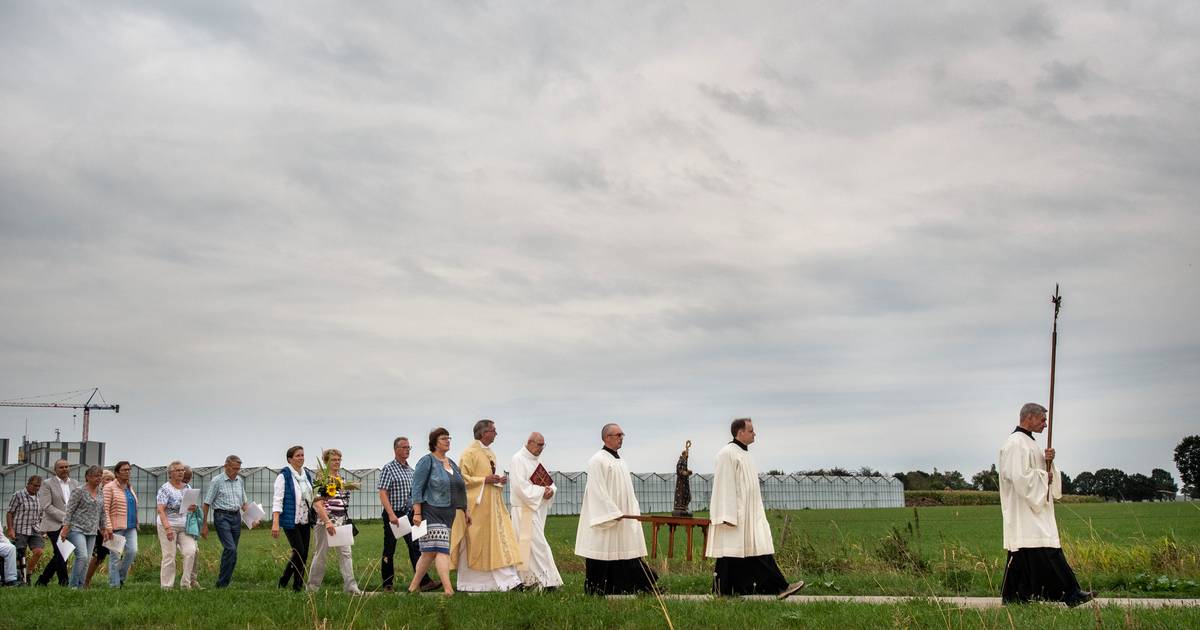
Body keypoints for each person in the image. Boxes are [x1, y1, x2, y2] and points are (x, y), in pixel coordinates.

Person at [999, 403, 1095, 607]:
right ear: (1029, 417)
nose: (1045, 424)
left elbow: (1039, 472)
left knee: (1023, 554)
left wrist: (1047, 460)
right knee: (1046, 551)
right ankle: (1071, 593)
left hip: (1034, 507)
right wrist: (1044, 476)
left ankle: (1014, 597)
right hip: (1024, 508)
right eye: (1042, 419)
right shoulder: (1016, 443)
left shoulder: (1029, 443)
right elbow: (1018, 477)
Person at [706, 418, 806, 598]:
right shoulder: (727, 454)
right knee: (744, 553)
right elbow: (724, 485)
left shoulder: (745, 455)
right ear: (740, 432)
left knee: (744, 553)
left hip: (750, 515)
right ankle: (780, 587)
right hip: (736, 516)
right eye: (751, 431)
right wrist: (727, 515)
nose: (755, 434)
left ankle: (725, 592)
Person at [575, 423, 658, 595]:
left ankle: (627, 587)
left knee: (623, 552)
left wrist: (632, 509)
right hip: (606, 517)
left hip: (622, 517)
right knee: (603, 552)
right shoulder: (598, 460)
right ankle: (597, 589)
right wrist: (612, 512)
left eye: (622, 435)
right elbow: (597, 490)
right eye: (618, 435)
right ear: (607, 437)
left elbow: (627, 491)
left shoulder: (620, 461)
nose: (621, 438)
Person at [451, 419, 522, 592]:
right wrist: (485, 480)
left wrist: (497, 481)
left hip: (492, 506)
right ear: (484, 433)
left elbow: (489, 477)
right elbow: (462, 479)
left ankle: (502, 581)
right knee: (475, 542)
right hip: (477, 508)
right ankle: (470, 583)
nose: (496, 433)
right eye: (493, 430)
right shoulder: (469, 453)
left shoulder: (490, 453)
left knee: (498, 541)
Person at [408, 427, 469, 596]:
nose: (447, 441)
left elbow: (460, 488)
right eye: (443, 438)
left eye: (449, 438)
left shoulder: (452, 463)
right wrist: (417, 512)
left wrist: (465, 509)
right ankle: (448, 590)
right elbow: (416, 488)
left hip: (449, 513)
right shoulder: (426, 461)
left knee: (428, 553)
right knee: (442, 550)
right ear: (434, 443)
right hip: (431, 510)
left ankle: (412, 588)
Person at [378, 436, 437, 592]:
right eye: (404, 447)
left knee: (415, 546)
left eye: (409, 447)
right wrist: (391, 514)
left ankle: (424, 582)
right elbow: (383, 493)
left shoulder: (411, 471)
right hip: (394, 514)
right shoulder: (388, 468)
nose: (407, 450)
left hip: (409, 514)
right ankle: (387, 583)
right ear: (396, 449)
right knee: (389, 549)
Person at [509, 432, 563, 590]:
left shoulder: (536, 461)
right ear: (530, 442)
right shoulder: (518, 459)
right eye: (539, 445)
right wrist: (541, 492)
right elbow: (519, 486)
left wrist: (551, 491)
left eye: (543, 445)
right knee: (537, 545)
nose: (541, 448)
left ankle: (530, 581)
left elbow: (549, 483)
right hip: (523, 509)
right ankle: (548, 582)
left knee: (530, 547)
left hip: (534, 509)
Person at [307, 448, 362, 594]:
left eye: (339, 459)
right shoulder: (321, 480)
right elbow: (317, 504)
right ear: (326, 462)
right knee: (321, 555)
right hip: (325, 523)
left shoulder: (341, 480)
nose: (337, 462)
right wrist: (327, 522)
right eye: (333, 460)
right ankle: (312, 588)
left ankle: (351, 588)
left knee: (346, 554)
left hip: (341, 521)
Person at [202, 455, 250, 588]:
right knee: (230, 548)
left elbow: (244, 503)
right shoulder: (217, 481)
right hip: (222, 517)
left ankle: (224, 583)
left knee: (232, 553)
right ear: (226, 466)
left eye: (238, 469)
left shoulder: (240, 480)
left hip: (236, 517)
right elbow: (206, 503)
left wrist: (252, 519)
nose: (236, 471)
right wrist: (204, 525)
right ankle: (222, 583)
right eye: (234, 468)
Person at [272, 445, 315, 592]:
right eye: (297, 456)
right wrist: (275, 523)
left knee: (303, 553)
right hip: (291, 520)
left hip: (305, 519)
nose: (301, 458)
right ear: (289, 459)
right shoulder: (283, 476)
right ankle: (294, 585)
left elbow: (310, 496)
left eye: (302, 455)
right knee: (299, 552)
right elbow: (277, 500)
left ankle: (289, 582)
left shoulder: (306, 475)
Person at [60, 466, 110, 588]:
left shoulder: (101, 493)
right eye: (96, 476)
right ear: (88, 477)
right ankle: (73, 586)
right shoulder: (79, 491)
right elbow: (69, 510)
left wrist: (104, 528)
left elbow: (102, 512)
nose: (98, 478)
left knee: (87, 559)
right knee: (82, 556)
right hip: (76, 528)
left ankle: (81, 586)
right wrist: (65, 527)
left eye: (100, 476)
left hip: (92, 530)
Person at [155, 461, 198, 589]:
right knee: (169, 556)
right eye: (178, 470)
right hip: (168, 524)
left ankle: (186, 584)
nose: (181, 472)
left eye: (182, 470)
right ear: (170, 473)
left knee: (191, 551)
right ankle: (167, 587)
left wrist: (193, 507)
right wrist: (167, 528)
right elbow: (161, 510)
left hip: (184, 525)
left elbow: (190, 508)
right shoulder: (165, 489)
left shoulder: (187, 488)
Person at [35, 459, 77, 586]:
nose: (64, 469)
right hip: (54, 524)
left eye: (66, 467)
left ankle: (42, 581)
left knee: (61, 553)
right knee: (61, 552)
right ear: (55, 470)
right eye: (61, 467)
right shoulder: (47, 484)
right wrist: (66, 518)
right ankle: (64, 583)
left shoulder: (75, 483)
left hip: (71, 525)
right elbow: (46, 506)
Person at [103, 461, 140, 587]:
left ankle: (120, 577)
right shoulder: (109, 487)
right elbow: (105, 509)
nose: (127, 472)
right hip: (115, 527)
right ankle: (114, 584)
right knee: (115, 557)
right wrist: (108, 526)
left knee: (132, 551)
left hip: (131, 526)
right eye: (124, 470)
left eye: (129, 470)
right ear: (117, 473)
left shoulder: (129, 487)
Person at [6, 475, 44, 584]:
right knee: (20, 555)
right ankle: (20, 578)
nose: (37, 488)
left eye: (39, 486)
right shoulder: (18, 495)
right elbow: (10, 513)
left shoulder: (39, 496)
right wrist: (10, 529)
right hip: (20, 529)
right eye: (35, 485)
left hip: (35, 529)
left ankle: (28, 573)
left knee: (39, 551)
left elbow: (41, 514)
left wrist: (42, 528)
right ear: (28, 484)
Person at [83, 469, 115, 588]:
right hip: (98, 528)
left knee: (106, 556)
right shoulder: (98, 494)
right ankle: (86, 580)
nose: (110, 482)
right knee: (97, 556)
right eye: (107, 479)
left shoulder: (114, 493)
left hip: (111, 527)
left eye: (112, 480)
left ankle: (116, 581)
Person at [181, 466, 201, 589]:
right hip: (175, 525)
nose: (187, 480)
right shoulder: (170, 488)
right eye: (185, 477)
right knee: (170, 556)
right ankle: (168, 584)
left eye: (189, 477)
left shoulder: (189, 489)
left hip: (188, 526)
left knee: (195, 552)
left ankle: (192, 580)